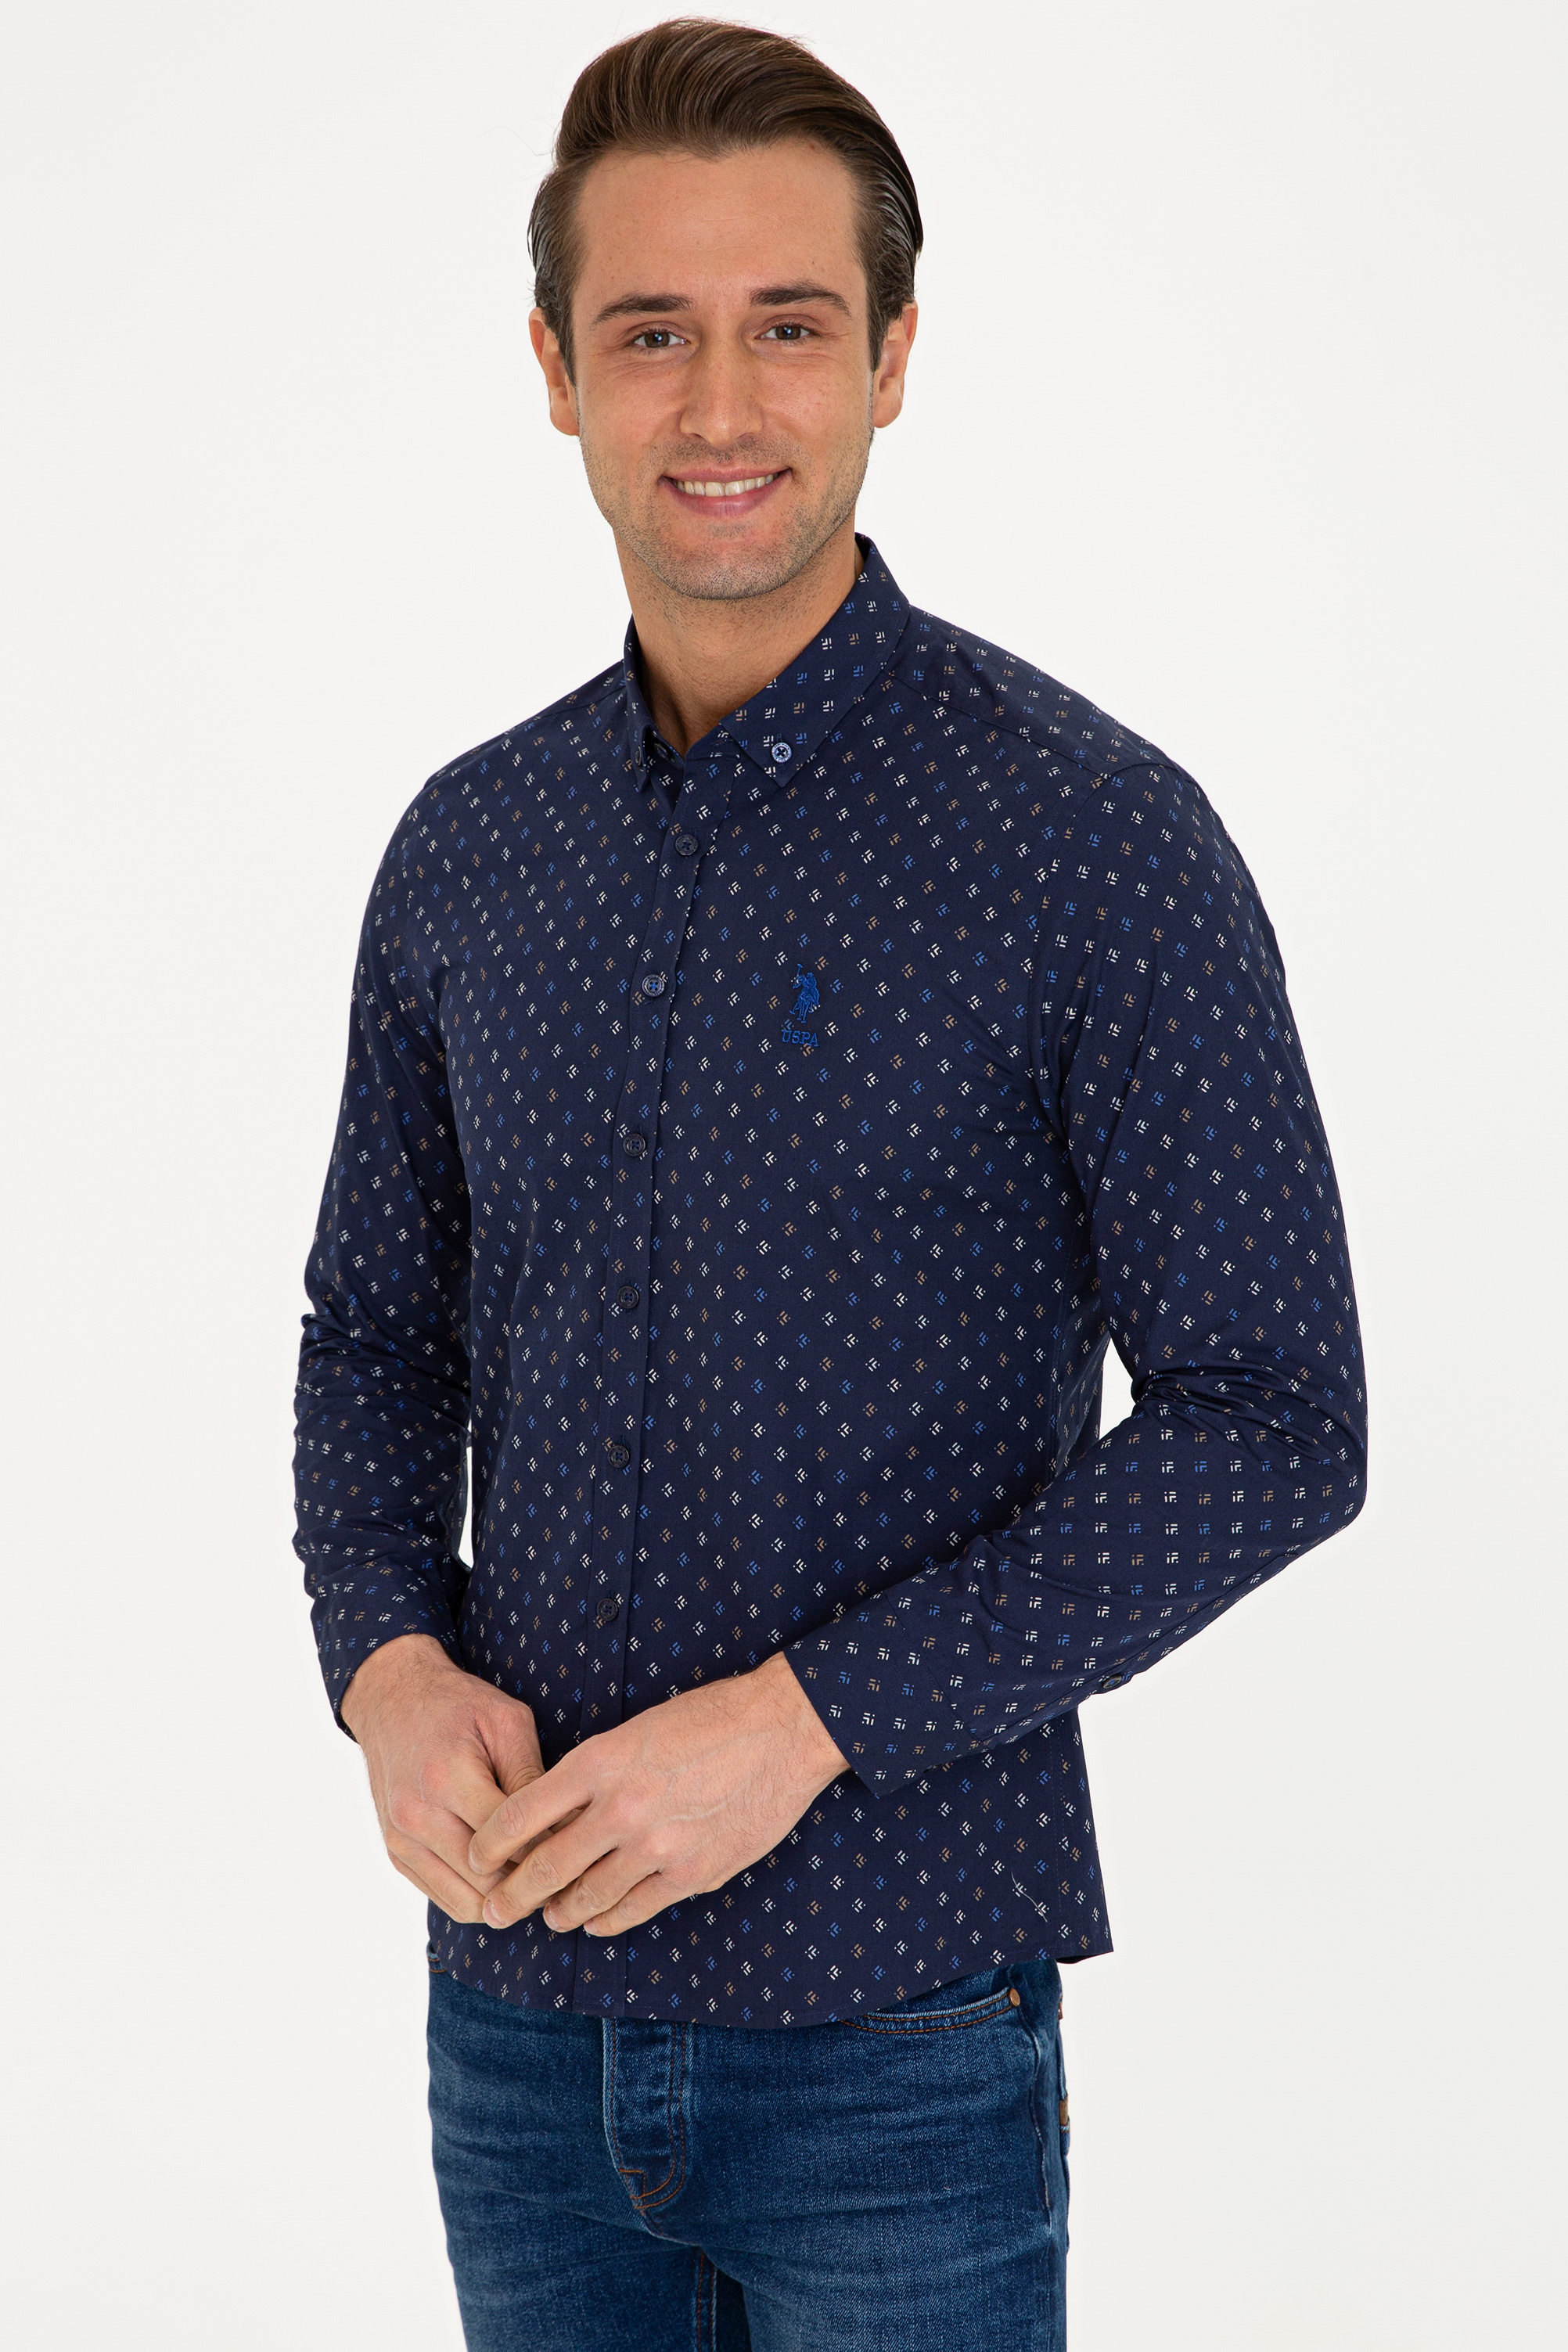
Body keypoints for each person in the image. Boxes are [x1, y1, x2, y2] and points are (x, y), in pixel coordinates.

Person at [292, 19, 1367, 2349]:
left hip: (898, 2034)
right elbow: (372, 1334)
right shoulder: (470, 850)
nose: (719, 404)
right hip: (516, 2022)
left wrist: (805, 1720)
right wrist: (384, 1662)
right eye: (647, 333)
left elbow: (1276, 1417)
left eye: (788, 326)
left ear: (890, 357)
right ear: (555, 375)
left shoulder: (1093, 840)